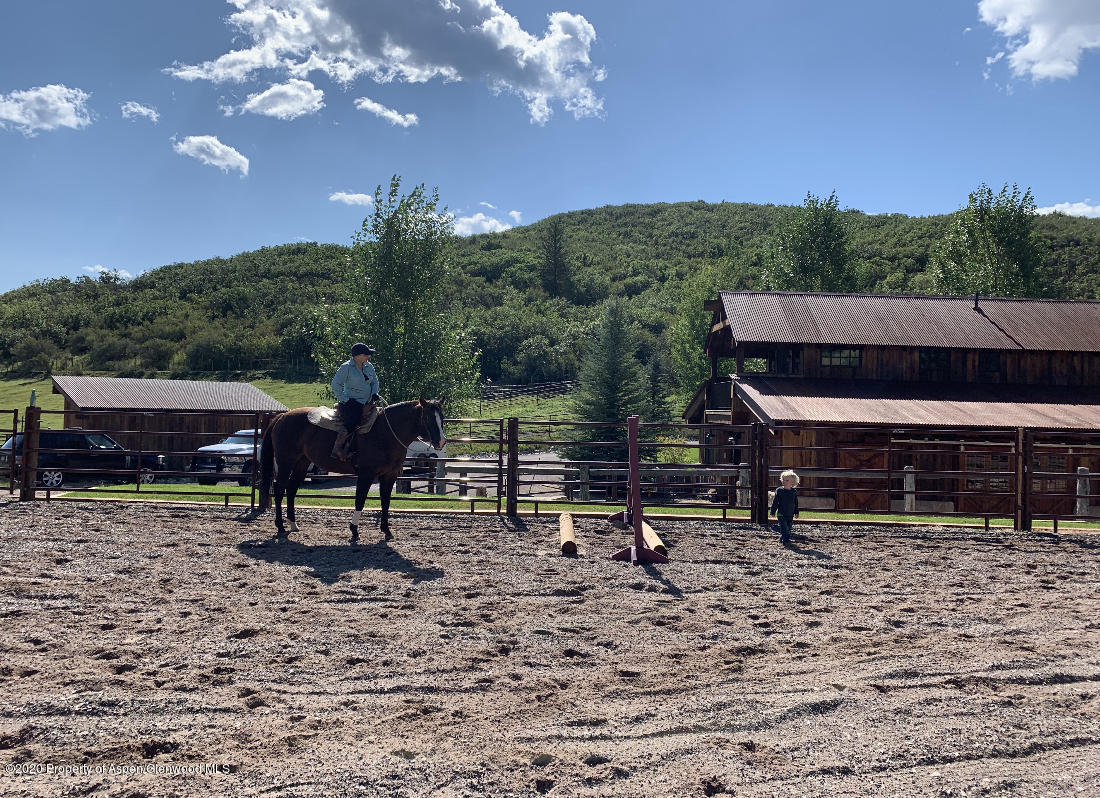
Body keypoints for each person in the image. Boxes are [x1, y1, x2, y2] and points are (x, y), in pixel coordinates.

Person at [330, 343, 381, 461]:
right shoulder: (345, 367)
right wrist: (346, 400)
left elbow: (375, 382)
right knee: (353, 421)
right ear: (357, 356)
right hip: (350, 403)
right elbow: (335, 385)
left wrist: (374, 393)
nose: (368, 356)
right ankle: (337, 449)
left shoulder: (369, 366)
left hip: (368, 402)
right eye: (366, 354)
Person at [769, 469, 799, 545]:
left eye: (786, 480)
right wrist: (772, 511)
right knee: (783, 527)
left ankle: (783, 538)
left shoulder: (793, 492)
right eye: (783, 480)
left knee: (788, 528)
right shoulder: (779, 491)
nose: (783, 481)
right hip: (781, 513)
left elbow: (795, 503)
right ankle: (786, 541)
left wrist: (796, 512)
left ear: (792, 483)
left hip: (790, 513)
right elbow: (775, 502)